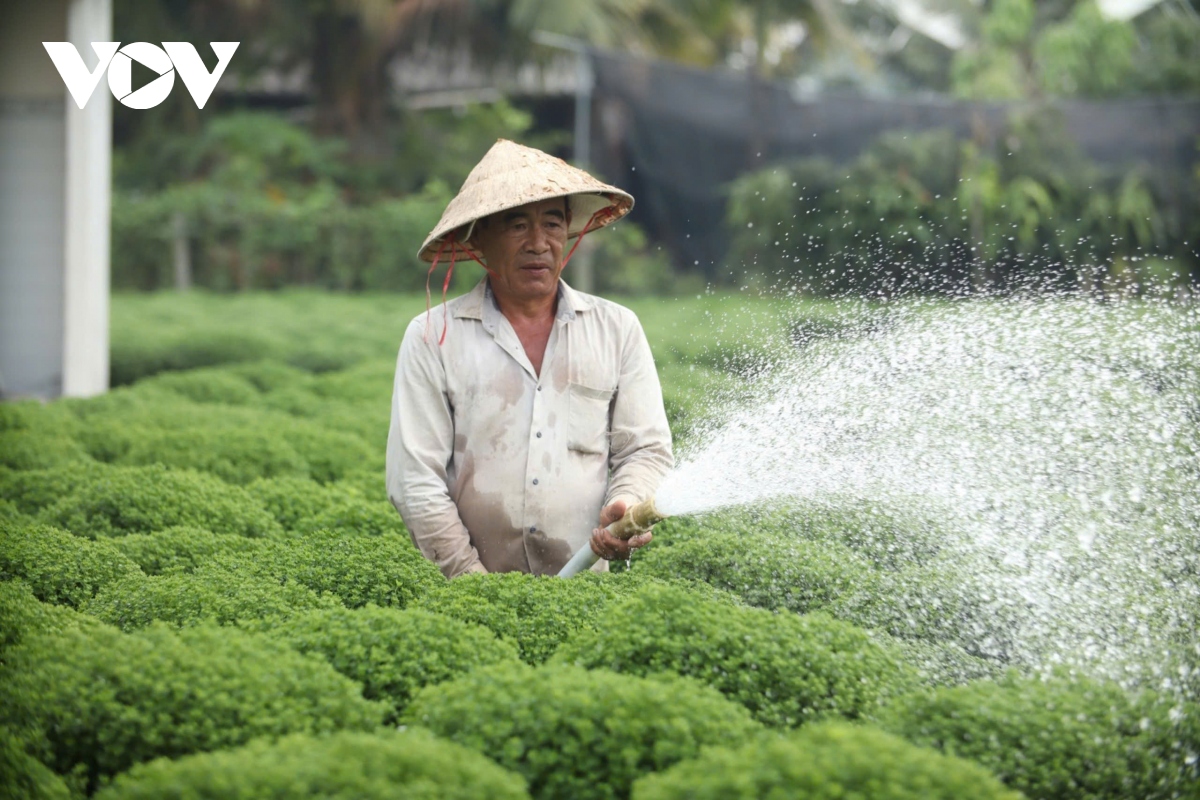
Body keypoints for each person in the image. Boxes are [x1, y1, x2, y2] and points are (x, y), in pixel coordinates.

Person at [386, 139, 674, 578]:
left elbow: (646, 449)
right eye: (516, 225)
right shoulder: (432, 337)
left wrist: (627, 502)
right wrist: (472, 586)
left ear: (569, 234)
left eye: (553, 224)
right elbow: (415, 482)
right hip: (463, 594)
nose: (538, 243)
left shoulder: (617, 329)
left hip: (588, 595)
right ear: (479, 237)